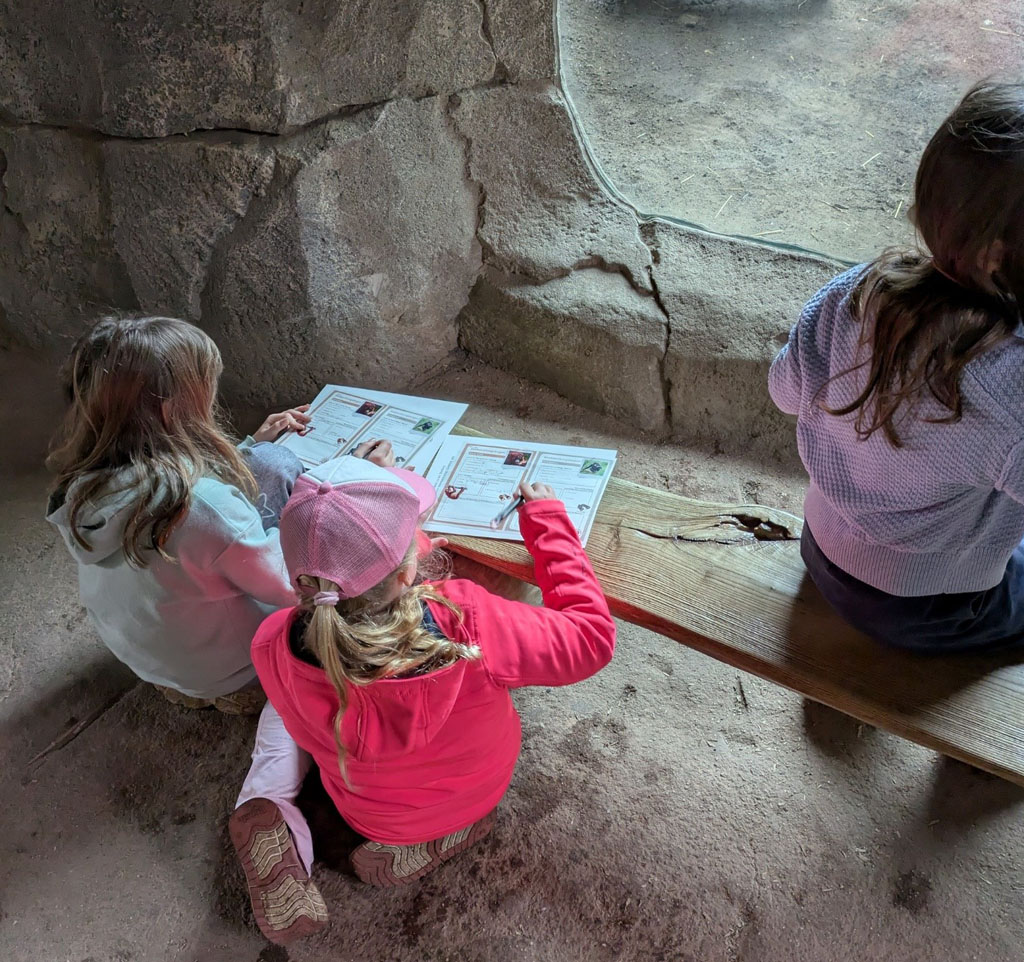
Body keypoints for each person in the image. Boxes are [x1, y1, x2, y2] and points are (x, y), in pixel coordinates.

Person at [245, 456, 615, 916]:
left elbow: (350, 600)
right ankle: (442, 835)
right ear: (409, 572)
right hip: (476, 793)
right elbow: (592, 640)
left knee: (290, 722)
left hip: (366, 811)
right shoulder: (466, 619)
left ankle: (286, 812)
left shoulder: (271, 643)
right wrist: (550, 528)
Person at [769, 80, 1024, 653]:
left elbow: (784, 388)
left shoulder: (859, 289)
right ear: (999, 253)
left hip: (824, 549)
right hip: (927, 606)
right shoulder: (1012, 382)